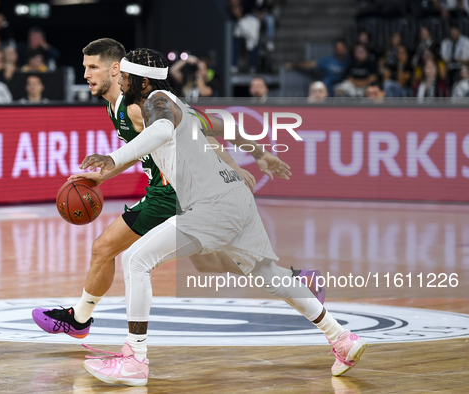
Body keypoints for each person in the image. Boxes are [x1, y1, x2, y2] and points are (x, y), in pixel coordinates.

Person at [79, 48, 365, 386]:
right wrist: (260, 154)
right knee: (268, 273)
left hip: (211, 204)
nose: (121, 81)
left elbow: (158, 134)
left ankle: (135, 359)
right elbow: (225, 123)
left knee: (137, 261)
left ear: (140, 80)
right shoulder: (178, 105)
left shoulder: (156, 103)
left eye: (125, 76)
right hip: (235, 198)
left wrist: (111, 159)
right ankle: (342, 339)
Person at [32, 39, 325, 342]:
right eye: (85, 67)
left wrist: (237, 161)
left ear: (117, 70)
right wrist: (101, 178)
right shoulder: (114, 105)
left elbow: (205, 128)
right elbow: (143, 149)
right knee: (207, 262)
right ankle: (294, 280)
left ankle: (81, 319)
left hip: (169, 193)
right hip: (171, 191)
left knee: (105, 249)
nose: (86, 74)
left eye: (93, 67)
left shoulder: (138, 106)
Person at [285, 38, 350, 96]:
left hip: (344, 84)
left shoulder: (350, 60)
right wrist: (293, 65)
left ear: (346, 48)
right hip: (329, 85)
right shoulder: (328, 60)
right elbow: (311, 64)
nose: (340, 50)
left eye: (342, 47)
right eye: (338, 47)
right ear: (335, 49)